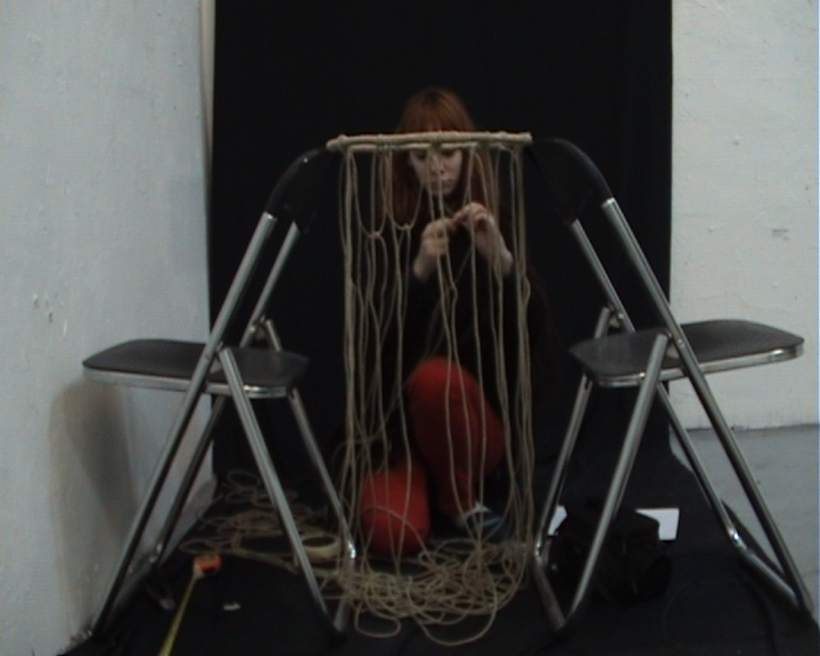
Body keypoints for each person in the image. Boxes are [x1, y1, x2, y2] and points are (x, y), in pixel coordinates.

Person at [348, 87, 554, 557]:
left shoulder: (495, 224)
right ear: (406, 162)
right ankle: (437, 490)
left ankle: (461, 500)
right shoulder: (386, 234)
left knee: (435, 380)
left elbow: (534, 340)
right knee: (390, 534)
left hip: (475, 432)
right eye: (422, 156)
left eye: (448, 153)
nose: (437, 167)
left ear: (467, 155)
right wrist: (419, 271)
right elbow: (370, 349)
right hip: (403, 437)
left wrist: (500, 261)